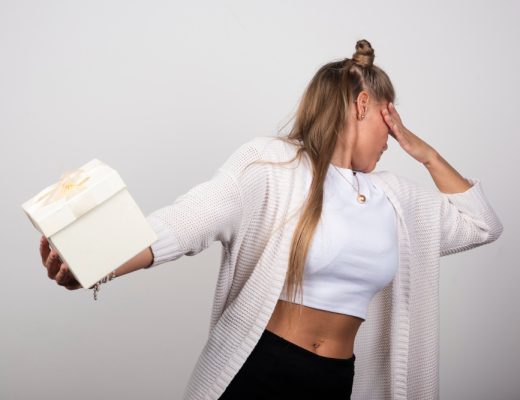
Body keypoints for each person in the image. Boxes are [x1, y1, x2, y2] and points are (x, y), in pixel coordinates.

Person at [39, 39, 504, 399]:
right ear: (363, 105)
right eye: (391, 119)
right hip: (261, 370)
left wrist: (425, 153)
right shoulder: (271, 166)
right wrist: (96, 264)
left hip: (335, 381)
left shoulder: (398, 199)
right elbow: (187, 222)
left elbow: (482, 224)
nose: (392, 136)